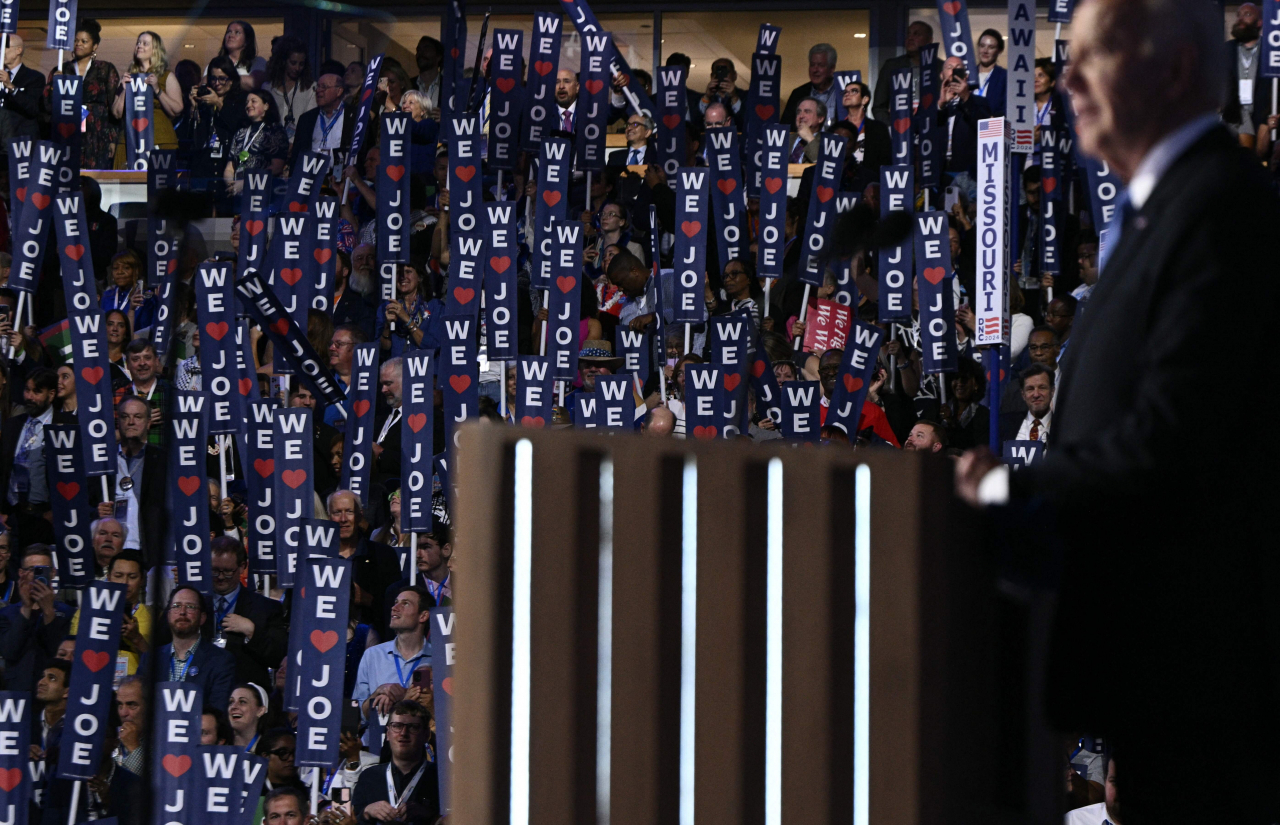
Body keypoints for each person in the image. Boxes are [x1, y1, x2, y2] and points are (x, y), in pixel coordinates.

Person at [957, 1, 1280, 821]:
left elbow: (1172, 441)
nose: (1066, 78)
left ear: (1172, 71)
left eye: (1096, 55)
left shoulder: (1222, 209)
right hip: (1154, 676)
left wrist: (1008, 491)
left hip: (1206, 677)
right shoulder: (1153, 212)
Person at [210, 537, 288, 689]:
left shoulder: (266, 607)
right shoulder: (193, 602)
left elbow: (279, 656)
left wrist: (252, 632)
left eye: (227, 571)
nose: (220, 577)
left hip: (244, 697)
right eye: (214, 570)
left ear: (242, 567)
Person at [352, 583, 432, 732]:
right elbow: (359, 715)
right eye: (395, 603)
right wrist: (378, 692)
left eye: (405, 604)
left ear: (423, 615)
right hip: (375, 747)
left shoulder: (437, 659)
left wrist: (403, 698)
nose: (394, 608)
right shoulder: (373, 655)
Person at [351, 700, 439, 823]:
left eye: (413, 727)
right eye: (397, 726)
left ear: (426, 735)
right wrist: (367, 812)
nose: (403, 733)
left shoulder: (440, 779)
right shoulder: (369, 777)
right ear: (388, 733)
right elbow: (352, 821)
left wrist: (432, 816)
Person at [328, 489, 402, 636]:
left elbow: (395, 608)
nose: (343, 519)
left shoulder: (383, 555)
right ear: (328, 516)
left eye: (349, 511)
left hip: (372, 640)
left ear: (360, 515)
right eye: (337, 512)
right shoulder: (317, 557)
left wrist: (367, 599)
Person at [49, 20, 120, 169]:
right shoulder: (62, 69)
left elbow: (113, 106)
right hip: (68, 128)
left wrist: (113, 139)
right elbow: (47, 105)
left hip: (97, 132)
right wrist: (53, 86)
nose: (78, 44)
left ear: (94, 46)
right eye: (75, 41)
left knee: (94, 176)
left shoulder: (105, 69)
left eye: (84, 41)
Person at [152, 586, 237, 711]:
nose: (182, 612)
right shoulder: (151, 659)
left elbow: (218, 711)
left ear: (202, 618)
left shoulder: (221, 661)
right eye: (176, 606)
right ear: (168, 615)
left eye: (190, 607)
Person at [0, 545, 72, 691]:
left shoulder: (68, 613)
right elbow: (9, 652)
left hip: (53, 693)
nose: (36, 575)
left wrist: (48, 612)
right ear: (21, 573)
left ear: (52, 572)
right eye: (31, 570)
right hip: (16, 695)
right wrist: (26, 608)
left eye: (42, 570)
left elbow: (58, 654)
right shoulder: (6, 614)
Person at [1, 368, 58, 546]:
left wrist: (57, 510)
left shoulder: (65, 425)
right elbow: (3, 471)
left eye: (37, 391)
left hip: (46, 519)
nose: (30, 397)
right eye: (27, 390)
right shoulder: (12, 425)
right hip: (13, 517)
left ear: (51, 394)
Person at [69, 550, 151, 675]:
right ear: (109, 578)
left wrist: (137, 639)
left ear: (142, 581)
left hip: (132, 690)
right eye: (118, 576)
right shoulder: (85, 613)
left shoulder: (153, 617)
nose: (125, 583)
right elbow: (72, 653)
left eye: (132, 577)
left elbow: (157, 665)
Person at [111, 31, 183, 163]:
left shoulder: (166, 76)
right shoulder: (128, 77)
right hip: (129, 141)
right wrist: (123, 90)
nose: (139, 46)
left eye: (145, 43)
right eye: (138, 43)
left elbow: (177, 109)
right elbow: (116, 113)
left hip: (159, 139)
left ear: (155, 50)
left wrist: (157, 89)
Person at [186, 55, 247, 194]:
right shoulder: (203, 101)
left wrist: (219, 104)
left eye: (222, 78)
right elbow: (192, 138)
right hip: (204, 166)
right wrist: (193, 108)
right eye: (213, 78)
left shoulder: (241, 100)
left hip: (227, 163)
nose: (217, 83)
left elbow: (240, 128)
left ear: (231, 80)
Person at [939, 59, 992, 201]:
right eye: (949, 67)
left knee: (964, 214)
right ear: (942, 75)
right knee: (946, 212)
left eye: (958, 68)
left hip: (968, 173)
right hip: (940, 173)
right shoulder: (934, 103)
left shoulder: (979, 102)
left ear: (965, 76)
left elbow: (985, 127)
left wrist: (965, 97)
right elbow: (921, 128)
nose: (953, 71)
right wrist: (941, 104)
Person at [872, 21, 943, 123]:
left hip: (933, 130)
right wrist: (890, 127)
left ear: (929, 40)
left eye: (916, 34)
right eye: (908, 34)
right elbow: (879, 107)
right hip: (899, 131)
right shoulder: (891, 66)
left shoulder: (940, 67)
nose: (910, 38)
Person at [289, 62, 353, 172]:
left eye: (324, 87)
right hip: (310, 177)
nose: (318, 91)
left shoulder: (353, 116)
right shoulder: (306, 119)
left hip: (340, 177)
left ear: (339, 91)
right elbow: (297, 155)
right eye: (317, 87)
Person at [224, 89, 288, 189]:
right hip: (238, 192)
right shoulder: (240, 132)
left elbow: (276, 167)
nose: (248, 105)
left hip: (262, 193)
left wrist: (247, 183)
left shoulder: (275, 131)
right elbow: (230, 167)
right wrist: (231, 184)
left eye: (253, 101)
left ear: (266, 106)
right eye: (247, 102)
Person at [377, 262, 442, 358]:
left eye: (408, 272)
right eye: (399, 272)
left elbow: (435, 346)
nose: (403, 277)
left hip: (426, 369)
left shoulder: (434, 306)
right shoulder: (386, 308)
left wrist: (407, 320)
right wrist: (387, 327)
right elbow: (382, 351)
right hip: (397, 369)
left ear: (419, 277)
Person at [1225, 2, 1264, 149]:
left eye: (1247, 14)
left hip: (1261, 120)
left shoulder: (1271, 52)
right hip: (1232, 118)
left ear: (1259, 22)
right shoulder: (1226, 50)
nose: (1241, 18)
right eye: (1239, 15)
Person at [262, 36, 315, 141]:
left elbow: (310, 124)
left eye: (301, 64)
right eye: (293, 63)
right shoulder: (268, 87)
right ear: (283, 62)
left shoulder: (311, 88)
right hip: (272, 146)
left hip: (299, 147)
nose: (297, 68)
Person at [841, 81, 892, 190]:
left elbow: (886, 161)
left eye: (854, 91)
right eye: (845, 92)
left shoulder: (878, 128)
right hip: (841, 186)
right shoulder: (837, 129)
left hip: (870, 186)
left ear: (865, 99)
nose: (847, 94)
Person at [781, 44, 840, 129]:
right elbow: (786, 128)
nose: (815, 70)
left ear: (832, 69)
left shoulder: (843, 93)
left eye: (820, 65)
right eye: (812, 65)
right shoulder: (798, 94)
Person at [0, 34, 45, 143]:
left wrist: (11, 86)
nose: (1, 51)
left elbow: (33, 108)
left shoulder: (34, 77)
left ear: (18, 50)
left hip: (19, 141)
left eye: (5, 47)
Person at [998, 363, 1053, 444]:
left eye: (1042, 388)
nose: (1036, 394)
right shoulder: (1004, 425)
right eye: (1030, 389)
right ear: (1023, 395)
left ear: (1052, 391)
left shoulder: (1064, 427)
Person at [373, 357, 402, 485]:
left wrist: (381, 454)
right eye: (382, 384)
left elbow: (422, 462)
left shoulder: (428, 419)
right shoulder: (379, 417)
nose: (383, 390)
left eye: (388, 383)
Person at [213, 20, 266, 91]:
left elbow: (254, 83)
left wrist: (222, 79)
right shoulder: (215, 62)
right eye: (229, 32)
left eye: (237, 32)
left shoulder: (257, 61)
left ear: (247, 40)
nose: (231, 36)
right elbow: (205, 81)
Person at [112, 675, 148, 776]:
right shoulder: (111, 737)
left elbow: (145, 783)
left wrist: (133, 746)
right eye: (120, 704)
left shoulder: (163, 743)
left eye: (132, 705)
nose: (123, 713)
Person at [257, 728, 307, 794]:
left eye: (295, 753)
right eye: (283, 753)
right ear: (266, 757)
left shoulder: (308, 794)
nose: (291, 758)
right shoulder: (252, 793)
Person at [973, 29, 1007, 117]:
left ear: (999, 50)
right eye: (982, 46)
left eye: (991, 47)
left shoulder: (1004, 77)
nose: (985, 51)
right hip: (967, 128)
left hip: (991, 127)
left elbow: (1007, 110)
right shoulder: (968, 74)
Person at [228, 683, 269, 751]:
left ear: (260, 711)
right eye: (231, 702)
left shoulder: (268, 750)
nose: (233, 707)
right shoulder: (219, 746)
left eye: (242, 702)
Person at [788, 97, 825, 164]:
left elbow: (823, 165)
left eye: (807, 112)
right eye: (799, 112)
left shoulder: (827, 142)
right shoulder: (785, 139)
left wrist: (809, 138)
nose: (801, 116)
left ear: (820, 118)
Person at [411, 36, 443, 107]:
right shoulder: (408, 85)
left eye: (426, 49)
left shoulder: (448, 86)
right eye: (418, 50)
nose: (421, 53)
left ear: (438, 56)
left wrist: (444, 116)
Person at [554, 68, 579, 134]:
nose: (561, 86)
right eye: (557, 82)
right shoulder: (544, 114)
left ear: (577, 87)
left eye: (566, 81)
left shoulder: (589, 113)